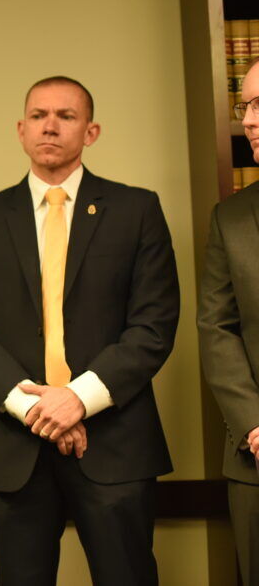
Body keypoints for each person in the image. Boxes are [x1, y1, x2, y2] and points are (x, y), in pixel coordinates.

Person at [0, 76, 179, 585]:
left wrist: (78, 399)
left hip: (114, 442)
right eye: (39, 115)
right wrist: (38, 409)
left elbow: (153, 325)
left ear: (91, 132)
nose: (50, 126)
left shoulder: (137, 211)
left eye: (66, 116)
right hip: (12, 447)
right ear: (21, 129)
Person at [198, 56, 259, 586]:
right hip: (256, 458)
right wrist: (254, 424)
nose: (249, 121)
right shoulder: (231, 217)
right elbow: (216, 327)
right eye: (246, 105)